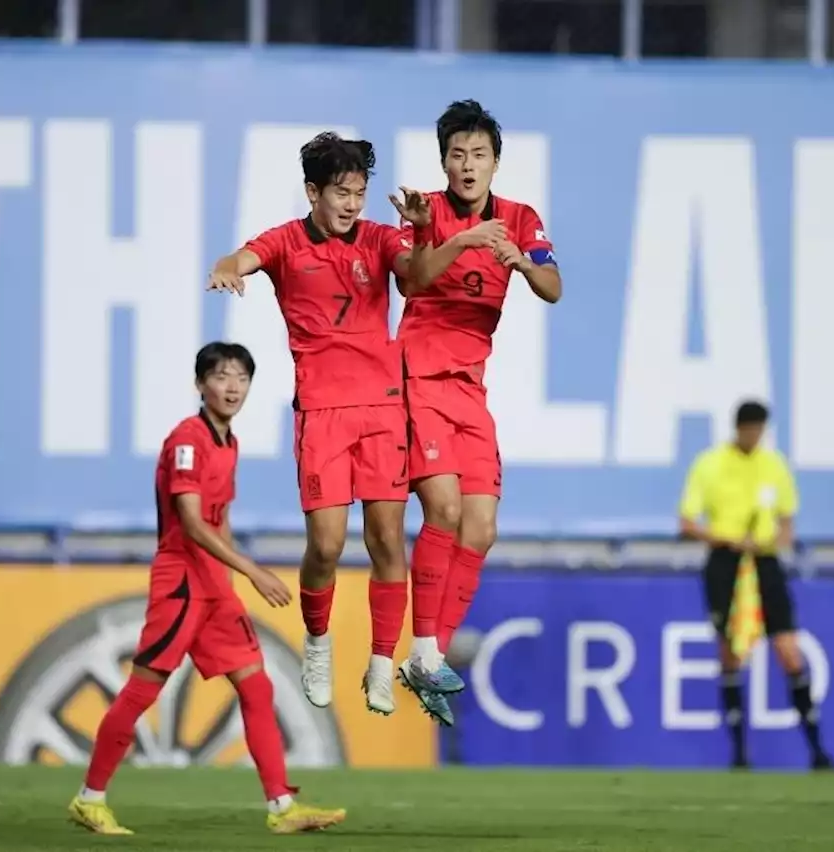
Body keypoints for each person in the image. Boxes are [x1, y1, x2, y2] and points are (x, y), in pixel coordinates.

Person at [67, 342, 346, 836]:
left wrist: (233, 577)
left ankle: (282, 806)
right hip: (181, 580)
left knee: (256, 684)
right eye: (221, 376)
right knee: (143, 690)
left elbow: (222, 518)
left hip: (214, 585)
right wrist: (253, 571)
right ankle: (90, 799)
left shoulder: (228, 441)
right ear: (201, 384)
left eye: (241, 377)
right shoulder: (188, 441)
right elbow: (193, 524)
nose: (232, 386)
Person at [207, 133, 413, 716]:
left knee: (387, 540)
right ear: (312, 191)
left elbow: (413, 271)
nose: (352, 204)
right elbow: (240, 258)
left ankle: (379, 663)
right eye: (341, 193)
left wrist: (422, 240)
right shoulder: (286, 242)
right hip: (321, 414)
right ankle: (317, 643)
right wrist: (227, 267)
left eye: (360, 193)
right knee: (325, 545)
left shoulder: (380, 238)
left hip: (382, 408)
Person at [388, 100, 562, 726]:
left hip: (469, 389)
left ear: (495, 162)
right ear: (444, 162)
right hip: (415, 376)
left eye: (479, 154)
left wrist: (521, 262)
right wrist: (455, 236)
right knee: (445, 510)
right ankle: (427, 651)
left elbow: (553, 285)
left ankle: (428, 658)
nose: (468, 165)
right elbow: (413, 282)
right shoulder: (424, 211)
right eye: (457, 155)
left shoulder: (519, 219)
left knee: (481, 527)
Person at [678, 400, 834, 771]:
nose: (754, 436)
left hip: (763, 562)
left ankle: (816, 750)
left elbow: (786, 525)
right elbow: (687, 522)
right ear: (738, 429)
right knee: (730, 652)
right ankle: (739, 753)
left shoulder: (773, 465)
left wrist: (769, 541)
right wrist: (725, 537)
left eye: (759, 430)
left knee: (789, 651)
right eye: (750, 430)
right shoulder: (710, 463)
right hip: (725, 561)